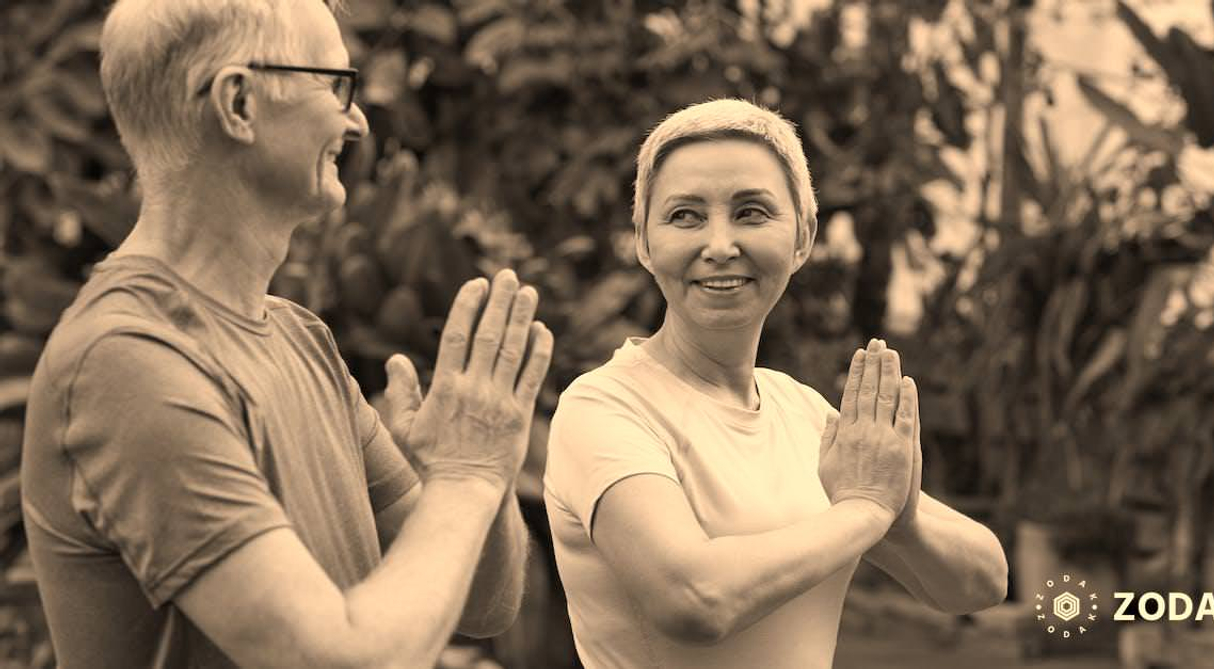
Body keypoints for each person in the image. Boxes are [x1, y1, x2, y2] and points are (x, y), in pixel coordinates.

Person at [19, 1, 554, 667]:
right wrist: (469, 476)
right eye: (335, 85)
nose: (355, 119)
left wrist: (479, 471)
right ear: (238, 103)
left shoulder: (302, 338)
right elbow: (339, 657)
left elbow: (483, 600)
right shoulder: (124, 361)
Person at [542, 99, 1008, 668]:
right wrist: (862, 511)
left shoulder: (802, 413)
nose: (718, 245)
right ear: (643, 241)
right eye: (685, 215)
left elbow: (984, 580)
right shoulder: (604, 408)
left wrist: (900, 517)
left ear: (802, 238)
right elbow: (693, 598)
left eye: (751, 212)